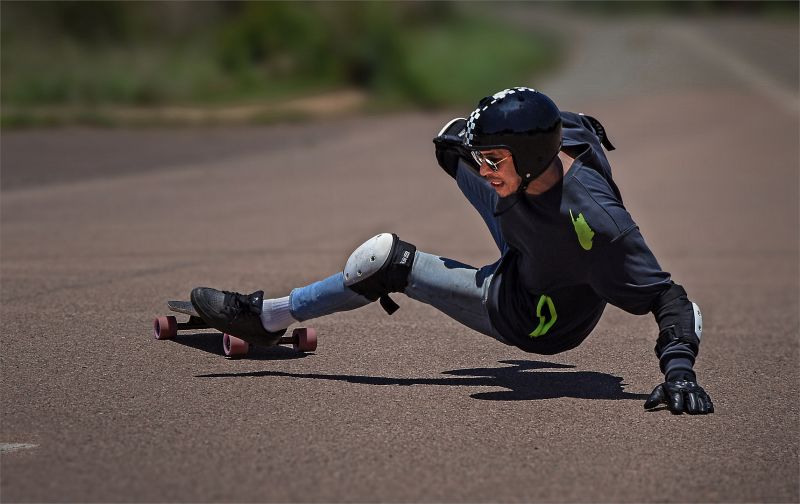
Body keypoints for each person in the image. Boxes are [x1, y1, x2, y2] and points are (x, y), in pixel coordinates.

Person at [190, 87, 713, 415]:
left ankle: (269, 319)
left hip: (533, 311)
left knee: (383, 260)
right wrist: (476, 148)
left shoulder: (599, 227)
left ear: (531, 156)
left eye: (492, 159)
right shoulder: (554, 137)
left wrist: (679, 373)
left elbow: (671, 299)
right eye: (483, 156)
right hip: (531, 240)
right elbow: (571, 126)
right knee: (448, 143)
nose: (483, 168)